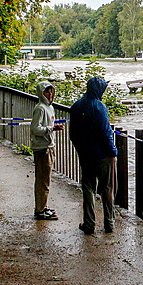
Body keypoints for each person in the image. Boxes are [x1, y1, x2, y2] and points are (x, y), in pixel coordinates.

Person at [69, 77, 118, 235]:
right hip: (103, 155)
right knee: (107, 188)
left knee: (88, 188)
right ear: (99, 90)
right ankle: (109, 223)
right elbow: (106, 133)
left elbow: (73, 134)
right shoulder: (100, 107)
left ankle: (89, 224)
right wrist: (113, 151)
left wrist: (80, 149)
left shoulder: (76, 106)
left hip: (85, 155)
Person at [30, 81, 63, 220]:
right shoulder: (41, 109)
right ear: (41, 93)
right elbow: (35, 129)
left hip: (49, 146)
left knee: (46, 179)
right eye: (46, 92)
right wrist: (52, 128)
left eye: (51, 91)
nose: (49, 94)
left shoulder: (50, 108)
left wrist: (52, 128)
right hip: (42, 148)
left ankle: (43, 205)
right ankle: (40, 209)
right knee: (43, 180)